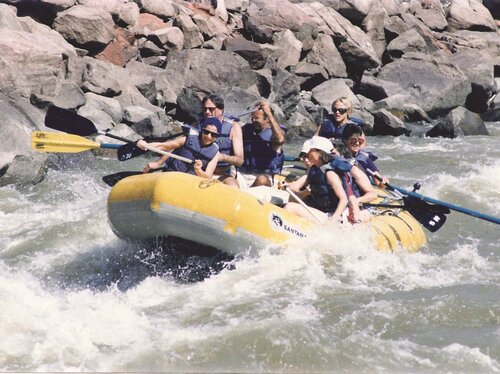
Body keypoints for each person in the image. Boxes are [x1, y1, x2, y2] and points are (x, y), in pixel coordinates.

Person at [282, 136, 349, 223]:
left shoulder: (330, 173)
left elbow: (344, 199)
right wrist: (300, 191)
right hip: (319, 210)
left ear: (320, 152)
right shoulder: (313, 169)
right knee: (293, 197)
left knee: (290, 207)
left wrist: (333, 220)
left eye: (311, 150)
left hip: (332, 216)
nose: (308, 153)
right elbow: (299, 188)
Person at [137, 117, 222, 179]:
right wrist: (146, 145)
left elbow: (208, 177)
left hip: (189, 182)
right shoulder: (188, 139)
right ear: (202, 131)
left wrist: (199, 170)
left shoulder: (215, 153)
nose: (208, 136)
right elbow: (164, 146)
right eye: (206, 132)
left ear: (217, 136)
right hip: (171, 174)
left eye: (213, 134)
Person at [199, 94, 243, 187]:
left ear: (221, 110)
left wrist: (222, 157)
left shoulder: (233, 127)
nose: (207, 112)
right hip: (199, 171)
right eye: (205, 109)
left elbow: (240, 160)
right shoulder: (197, 125)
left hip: (223, 174)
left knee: (233, 186)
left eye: (211, 109)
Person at [239, 101, 287, 187]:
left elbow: (280, 139)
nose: (253, 120)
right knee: (228, 178)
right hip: (242, 174)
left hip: (264, 176)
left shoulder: (274, 134)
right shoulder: (245, 129)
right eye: (252, 118)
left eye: (257, 118)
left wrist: (269, 113)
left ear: (267, 119)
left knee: (261, 180)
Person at [342, 123, 389, 187]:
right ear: (345, 140)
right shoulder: (337, 155)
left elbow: (379, 183)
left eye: (360, 141)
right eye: (353, 141)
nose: (357, 143)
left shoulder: (364, 159)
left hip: (360, 192)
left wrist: (383, 181)